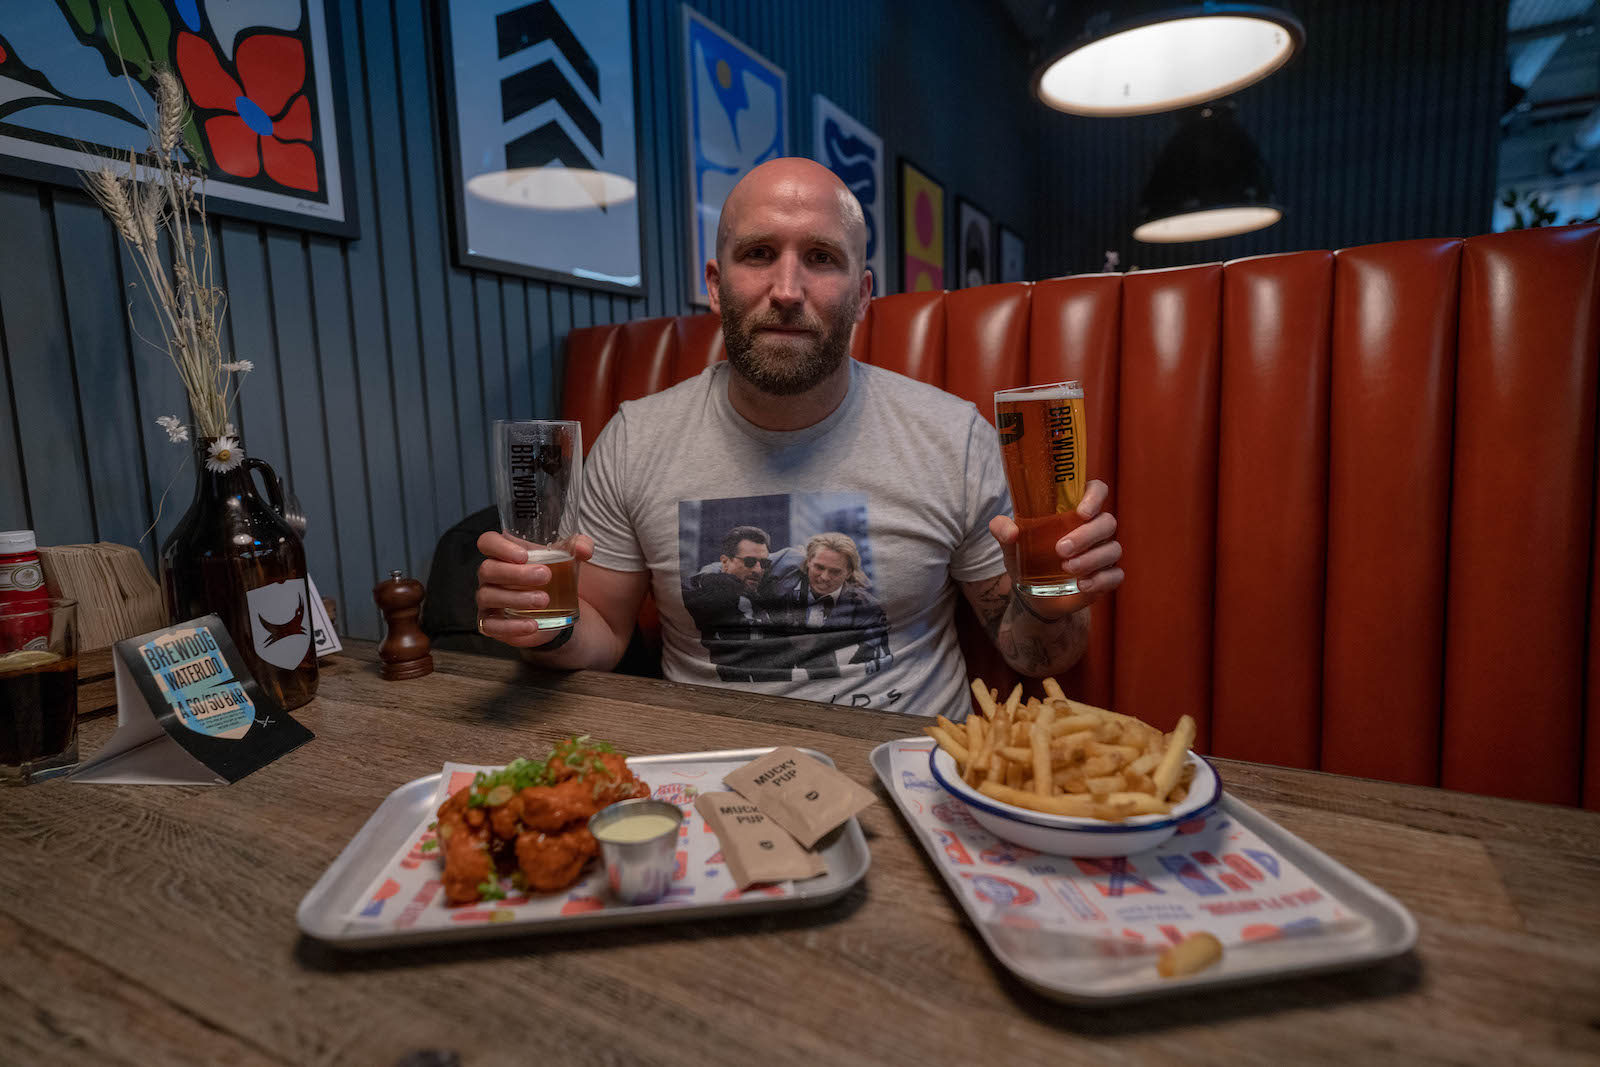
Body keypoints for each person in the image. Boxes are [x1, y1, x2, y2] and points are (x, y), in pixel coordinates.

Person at [474, 157, 1123, 719]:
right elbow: (606, 632)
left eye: (820, 257)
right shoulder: (636, 440)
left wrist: (1047, 604)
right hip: (709, 778)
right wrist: (545, 623)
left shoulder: (952, 438)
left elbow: (1032, 651)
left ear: (863, 293)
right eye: (758, 254)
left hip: (907, 779)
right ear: (715, 282)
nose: (787, 290)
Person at [764, 533, 891, 679]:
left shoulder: (868, 609)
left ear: (849, 572)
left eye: (835, 572)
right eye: (819, 567)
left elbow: (874, 663)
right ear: (808, 561)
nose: (824, 577)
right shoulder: (781, 572)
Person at [681, 525, 775, 681]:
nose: (758, 570)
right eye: (750, 562)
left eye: (764, 564)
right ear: (725, 562)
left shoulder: (764, 600)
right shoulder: (702, 596)